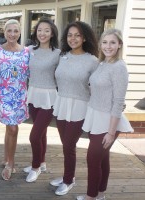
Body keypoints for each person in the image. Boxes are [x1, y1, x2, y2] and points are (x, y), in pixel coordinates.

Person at [76, 29, 133, 200]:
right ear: (100, 44)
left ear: (119, 45)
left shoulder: (119, 67)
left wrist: (110, 132)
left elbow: (118, 101)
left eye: (113, 42)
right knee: (102, 158)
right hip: (95, 115)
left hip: (108, 120)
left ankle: (91, 196)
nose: (108, 46)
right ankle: (100, 194)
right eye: (105, 42)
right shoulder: (103, 63)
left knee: (92, 159)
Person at [50, 21, 99, 196]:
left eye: (77, 35)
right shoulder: (62, 56)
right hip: (61, 104)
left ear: (85, 37)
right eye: (70, 35)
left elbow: (98, 85)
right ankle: (67, 175)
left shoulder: (93, 61)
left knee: (69, 144)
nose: (73, 38)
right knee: (65, 145)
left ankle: (68, 180)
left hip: (79, 106)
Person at [23, 18, 60, 182]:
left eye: (46, 30)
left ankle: (35, 167)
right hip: (32, 94)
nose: (42, 33)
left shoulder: (58, 53)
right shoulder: (29, 50)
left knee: (34, 135)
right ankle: (42, 162)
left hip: (49, 97)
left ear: (52, 33)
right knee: (41, 132)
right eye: (39, 30)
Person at [0, 19, 30, 181]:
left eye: (16, 31)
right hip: (4, 95)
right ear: (4, 32)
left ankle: (6, 157)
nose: (12, 34)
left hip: (20, 95)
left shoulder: (27, 52)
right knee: (13, 129)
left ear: (20, 33)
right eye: (9, 31)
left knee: (11, 129)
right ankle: (11, 163)